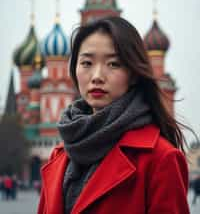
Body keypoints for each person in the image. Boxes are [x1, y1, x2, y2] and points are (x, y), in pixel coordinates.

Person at [38, 16, 190, 214]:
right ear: (74, 70)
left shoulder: (160, 159)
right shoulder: (60, 155)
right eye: (86, 63)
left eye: (113, 64)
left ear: (134, 74)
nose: (97, 76)